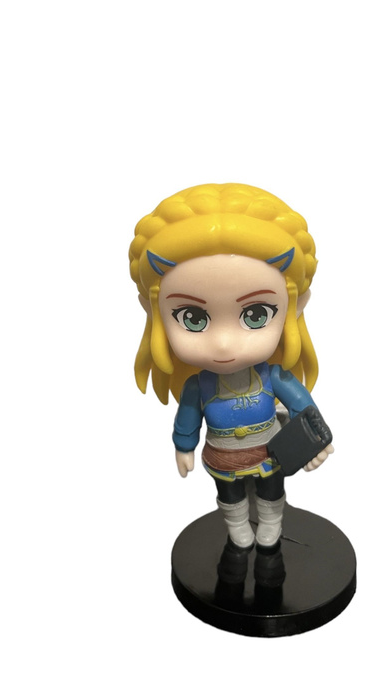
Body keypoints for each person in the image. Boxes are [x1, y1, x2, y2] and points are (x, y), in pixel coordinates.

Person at [128, 183, 333, 549]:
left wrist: (317, 440)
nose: (223, 343)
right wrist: (183, 446)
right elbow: (187, 419)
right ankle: (237, 525)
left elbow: (303, 406)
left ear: (295, 308)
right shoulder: (199, 386)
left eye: (255, 315)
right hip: (222, 457)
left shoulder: (273, 378)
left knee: (271, 489)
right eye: (192, 318)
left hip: (270, 454)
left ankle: (271, 521)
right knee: (230, 494)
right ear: (154, 312)